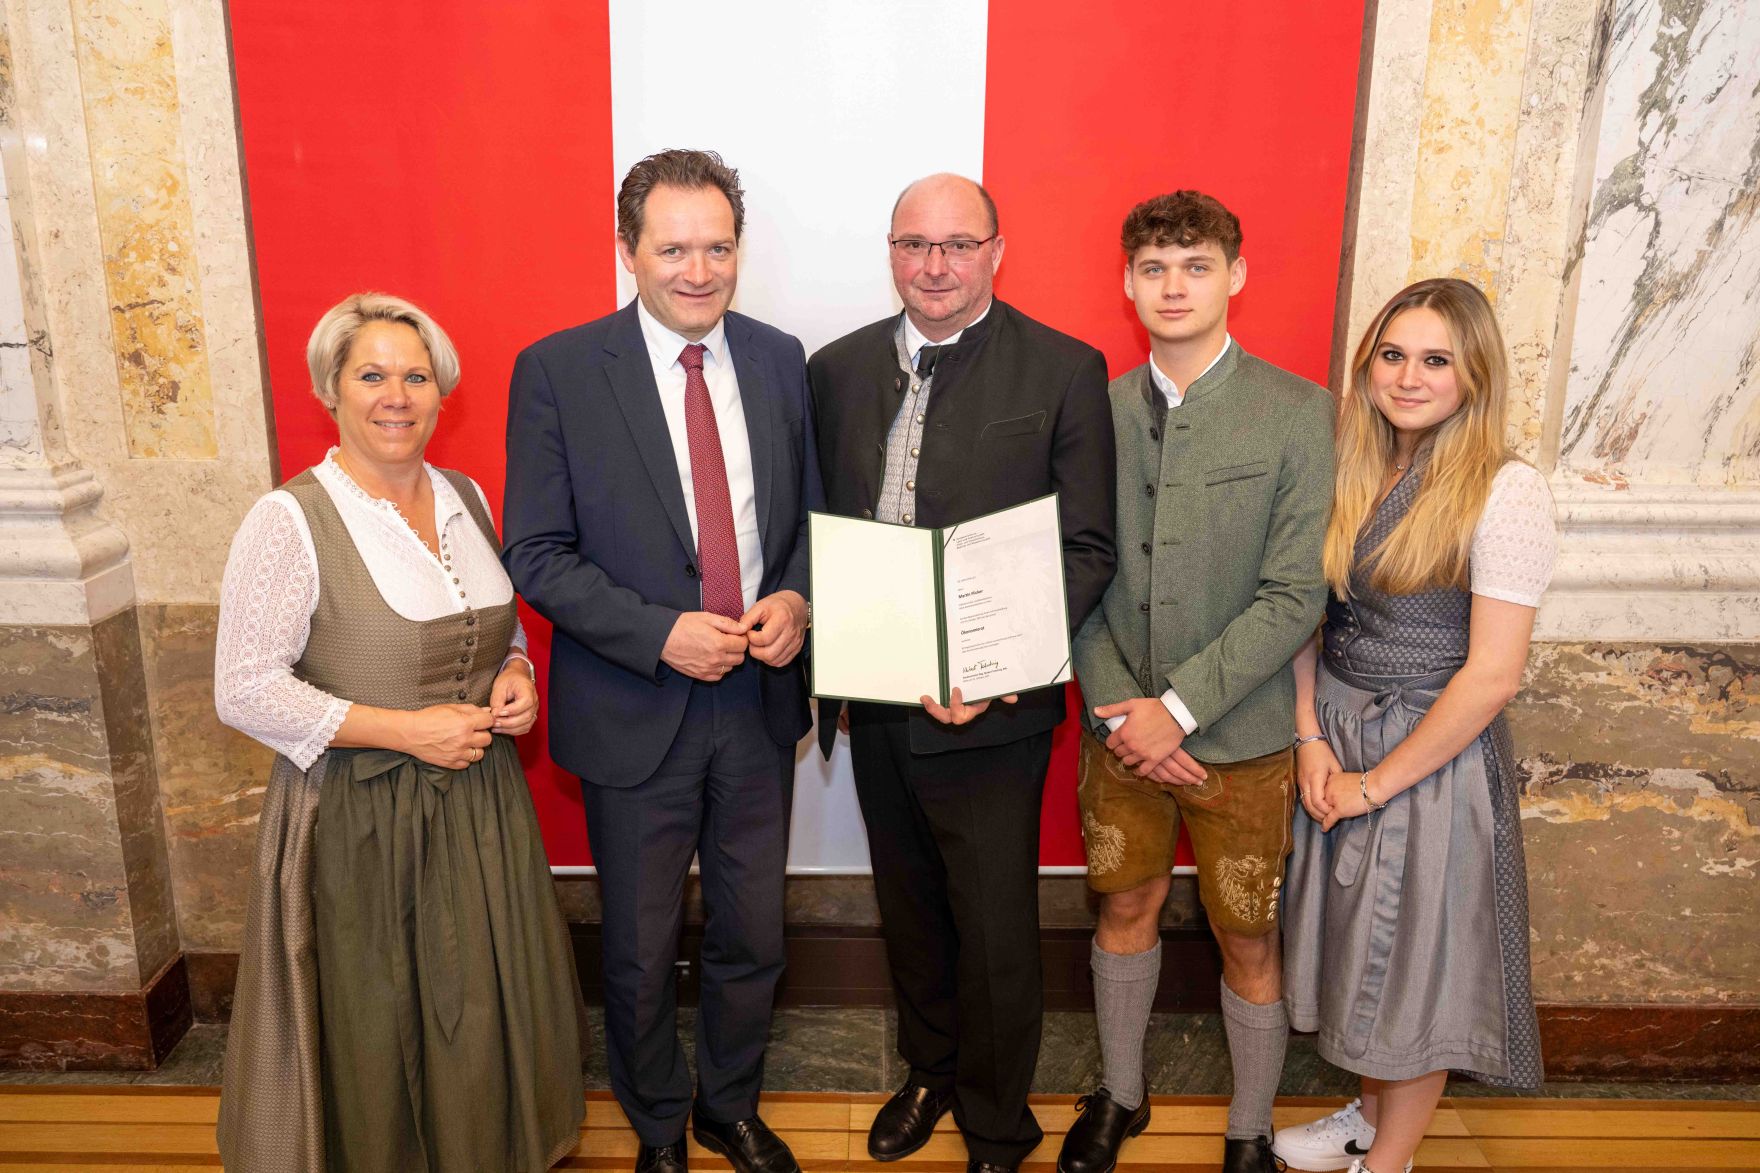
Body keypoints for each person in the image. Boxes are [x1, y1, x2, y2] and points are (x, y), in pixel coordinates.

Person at [501, 149, 822, 1173]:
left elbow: (811, 521)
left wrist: (795, 599)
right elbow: (535, 553)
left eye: (716, 247)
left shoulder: (779, 360)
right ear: (627, 249)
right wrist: (656, 632)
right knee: (638, 954)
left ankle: (727, 1107)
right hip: (637, 706)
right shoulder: (556, 370)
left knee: (752, 936)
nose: (697, 270)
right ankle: (654, 1131)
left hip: (758, 706)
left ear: (738, 249)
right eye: (673, 247)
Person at [213, 293, 585, 1172]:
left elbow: (502, 626)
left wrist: (518, 675)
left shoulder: (466, 495)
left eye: (416, 376)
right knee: (378, 1017)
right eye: (372, 374)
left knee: (480, 1004)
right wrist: (403, 730)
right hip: (357, 820)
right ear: (330, 389)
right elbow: (243, 689)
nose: (397, 395)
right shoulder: (291, 519)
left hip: (480, 811)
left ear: (440, 392)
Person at [809, 173, 1116, 1173]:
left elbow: (1087, 547)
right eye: (913, 244)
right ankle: (930, 1072)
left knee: (990, 929)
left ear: (995, 251)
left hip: (995, 708)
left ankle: (994, 1124)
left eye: (956, 244)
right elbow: (823, 533)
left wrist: (998, 665)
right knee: (908, 906)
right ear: (889, 252)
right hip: (879, 697)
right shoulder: (836, 369)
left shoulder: (1063, 369)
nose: (933, 265)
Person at [1064, 191, 1335, 1173]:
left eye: (1194, 265)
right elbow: (1076, 581)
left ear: (1235, 275)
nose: (1172, 286)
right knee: (1122, 908)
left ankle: (1247, 1127)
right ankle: (1120, 1094)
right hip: (1115, 731)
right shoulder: (1088, 415)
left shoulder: (1300, 414)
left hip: (1245, 740)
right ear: (1126, 282)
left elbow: (1292, 595)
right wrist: (1122, 713)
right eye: (1152, 267)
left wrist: (1173, 712)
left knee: (1247, 940)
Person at [1275, 278, 1557, 1173]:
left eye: (1435, 359)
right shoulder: (1353, 465)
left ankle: (1388, 1161)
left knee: (1416, 963)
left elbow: (1493, 674)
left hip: (1430, 754)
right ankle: (1366, 1113)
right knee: (1362, 948)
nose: (1408, 376)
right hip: (1338, 732)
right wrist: (1311, 740)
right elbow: (1304, 620)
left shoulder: (1506, 491)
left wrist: (1376, 780)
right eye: (1392, 355)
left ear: (1474, 374)